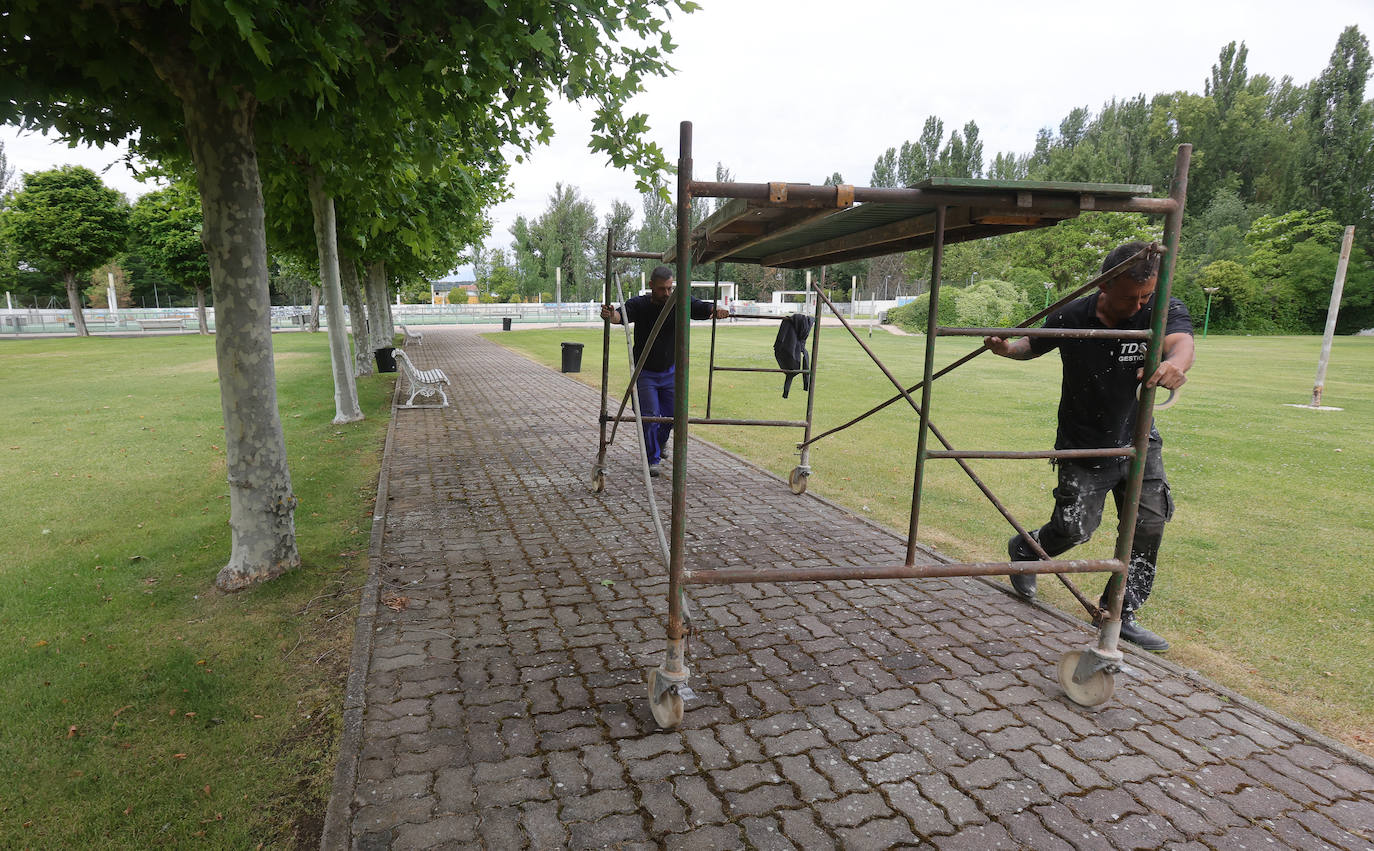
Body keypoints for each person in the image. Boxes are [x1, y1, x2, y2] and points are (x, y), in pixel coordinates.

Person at [983, 241, 1195, 652]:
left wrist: (1176, 365)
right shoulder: (1073, 314)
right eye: (1130, 297)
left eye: (1146, 296)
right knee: (1075, 529)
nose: (1139, 306)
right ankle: (1027, 550)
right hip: (1084, 443)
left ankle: (1121, 611)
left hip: (1139, 438)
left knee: (1149, 524)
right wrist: (1006, 349)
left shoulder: (1161, 305)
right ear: (1105, 285)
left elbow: (1181, 343)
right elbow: (1033, 345)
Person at [602, 265, 729, 477]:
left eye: (670, 288)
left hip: (671, 372)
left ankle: (660, 445)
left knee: (672, 416)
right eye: (663, 289)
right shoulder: (640, 304)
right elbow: (619, 317)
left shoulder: (679, 302)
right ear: (652, 286)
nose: (668, 293)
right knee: (650, 416)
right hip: (645, 373)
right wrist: (610, 314)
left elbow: (702, 307)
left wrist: (716, 311)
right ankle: (652, 460)